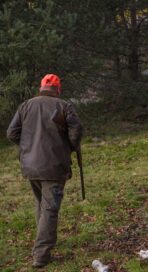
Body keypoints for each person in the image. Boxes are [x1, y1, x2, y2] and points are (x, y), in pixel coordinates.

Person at [6, 74, 83, 268]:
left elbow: (11, 133)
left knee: (41, 205)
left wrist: (27, 147)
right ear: (58, 89)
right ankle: (41, 255)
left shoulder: (25, 106)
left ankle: (43, 244)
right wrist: (69, 148)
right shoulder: (64, 106)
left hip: (30, 167)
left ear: (42, 87)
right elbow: (76, 131)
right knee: (49, 210)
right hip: (54, 167)